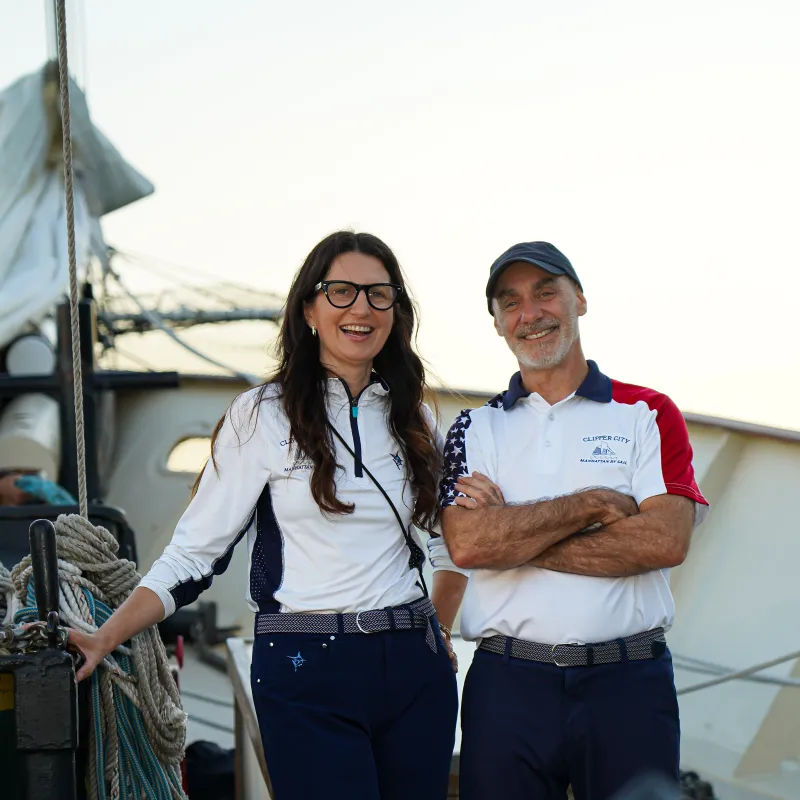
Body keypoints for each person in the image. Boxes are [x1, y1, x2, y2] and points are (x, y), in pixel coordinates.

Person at [68, 230, 467, 799]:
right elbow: (195, 553)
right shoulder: (261, 416)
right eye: (341, 291)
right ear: (309, 308)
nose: (361, 308)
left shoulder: (416, 417)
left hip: (414, 669)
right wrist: (107, 636)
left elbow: (449, 547)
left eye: (380, 294)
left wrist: (439, 629)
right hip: (308, 668)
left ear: (396, 312)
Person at [439, 241, 709, 800]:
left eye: (546, 293)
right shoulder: (474, 427)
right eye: (509, 302)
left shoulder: (648, 412)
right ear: (496, 324)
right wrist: (590, 505)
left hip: (627, 682)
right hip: (506, 684)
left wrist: (509, 538)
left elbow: (663, 539)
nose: (530, 314)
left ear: (579, 300)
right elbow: (466, 546)